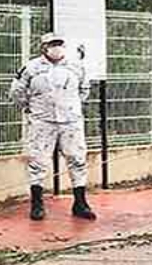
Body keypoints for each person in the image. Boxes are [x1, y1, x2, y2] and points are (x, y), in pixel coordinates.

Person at [9, 32, 97, 222]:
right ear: (43, 47)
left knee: (77, 158)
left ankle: (80, 203)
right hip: (43, 121)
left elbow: (84, 90)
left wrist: (71, 106)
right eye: (52, 44)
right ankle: (37, 204)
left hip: (70, 120)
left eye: (59, 43)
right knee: (38, 161)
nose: (56, 47)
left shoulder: (76, 66)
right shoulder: (31, 67)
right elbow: (17, 91)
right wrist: (30, 108)